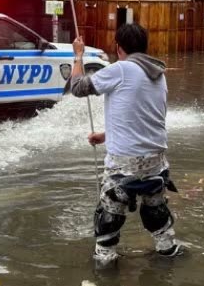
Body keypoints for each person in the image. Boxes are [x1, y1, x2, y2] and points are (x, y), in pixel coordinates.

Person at [69, 23, 183, 266]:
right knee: (156, 212)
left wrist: (78, 55)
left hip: (125, 164)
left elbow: (77, 88)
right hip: (157, 161)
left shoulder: (120, 69)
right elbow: (143, 117)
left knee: (109, 216)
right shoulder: (158, 73)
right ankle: (167, 251)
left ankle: (106, 264)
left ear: (118, 48)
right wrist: (105, 134)